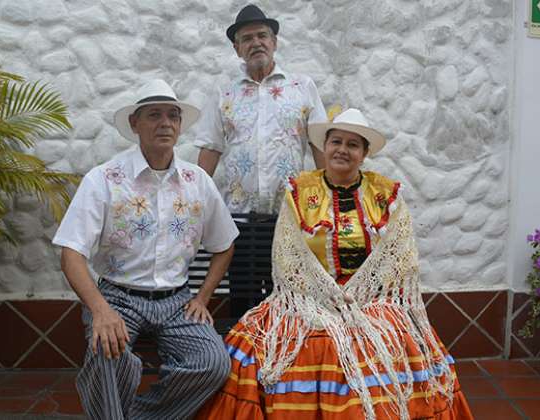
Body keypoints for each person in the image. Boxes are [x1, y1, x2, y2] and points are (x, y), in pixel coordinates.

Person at [197, 109, 474, 419]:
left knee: (385, 342)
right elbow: (288, 259)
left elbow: (399, 257)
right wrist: (328, 299)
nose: (343, 149)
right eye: (336, 141)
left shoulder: (385, 195)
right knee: (258, 348)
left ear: (364, 153)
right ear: (325, 147)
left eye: (353, 145)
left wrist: (356, 298)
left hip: (370, 301)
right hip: (307, 300)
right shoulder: (299, 192)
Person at [52, 79, 239, 419]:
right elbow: (71, 253)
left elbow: (224, 244)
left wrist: (202, 298)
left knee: (212, 364)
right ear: (135, 124)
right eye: (154, 115)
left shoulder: (198, 181)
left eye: (173, 116)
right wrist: (100, 310)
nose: (165, 123)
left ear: (180, 125)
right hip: (117, 297)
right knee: (109, 353)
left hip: (177, 301)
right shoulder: (104, 179)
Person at [194, 4, 328, 215]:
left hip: (291, 215)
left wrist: (331, 200)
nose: (256, 43)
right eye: (247, 39)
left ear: (274, 42)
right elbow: (211, 148)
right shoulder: (224, 94)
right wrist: (194, 201)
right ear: (237, 49)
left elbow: (320, 145)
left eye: (262, 36)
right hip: (237, 217)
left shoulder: (302, 87)